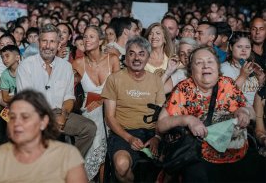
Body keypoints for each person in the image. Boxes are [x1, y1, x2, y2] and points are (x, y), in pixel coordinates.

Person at [157, 46, 255, 182]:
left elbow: (250, 112)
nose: (205, 66)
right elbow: (161, 124)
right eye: (199, 62)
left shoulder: (227, 84)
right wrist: (188, 119)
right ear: (191, 70)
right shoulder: (185, 88)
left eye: (210, 61)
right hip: (198, 155)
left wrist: (243, 111)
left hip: (236, 153)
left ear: (217, 66)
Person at [16, 24, 96, 157]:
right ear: (38, 42)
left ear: (59, 44)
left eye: (52, 41)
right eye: (44, 41)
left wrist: (63, 116)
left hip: (59, 113)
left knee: (89, 128)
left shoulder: (65, 67)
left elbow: (69, 97)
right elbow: (26, 102)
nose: (48, 46)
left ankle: (69, 164)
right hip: (34, 114)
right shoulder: (26, 66)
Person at [0, 89, 88, 183]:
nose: (17, 123)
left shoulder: (67, 156)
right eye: (12, 117)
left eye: (25, 117)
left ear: (43, 122)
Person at [101, 36, 166, 183]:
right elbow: (109, 118)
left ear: (148, 57)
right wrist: (129, 138)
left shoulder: (156, 80)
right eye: (132, 53)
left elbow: (162, 115)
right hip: (123, 132)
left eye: (141, 54)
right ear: (126, 57)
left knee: (168, 163)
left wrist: (157, 137)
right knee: (122, 166)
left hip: (151, 133)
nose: (136, 58)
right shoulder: (114, 79)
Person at [72, 26, 120, 181]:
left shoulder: (112, 59)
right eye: (85, 37)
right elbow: (68, 87)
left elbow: (119, 89)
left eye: (91, 37)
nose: (86, 40)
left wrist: (101, 100)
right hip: (88, 108)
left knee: (102, 117)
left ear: (100, 41)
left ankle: (89, 175)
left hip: (111, 106)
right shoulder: (78, 63)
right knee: (96, 118)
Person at [221, 32, 265, 105]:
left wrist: (261, 79)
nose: (244, 50)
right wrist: (243, 76)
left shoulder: (252, 66)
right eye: (239, 46)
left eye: (247, 47)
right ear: (231, 47)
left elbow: (256, 94)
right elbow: (227, 96)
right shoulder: (224, 68)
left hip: (256, 110)